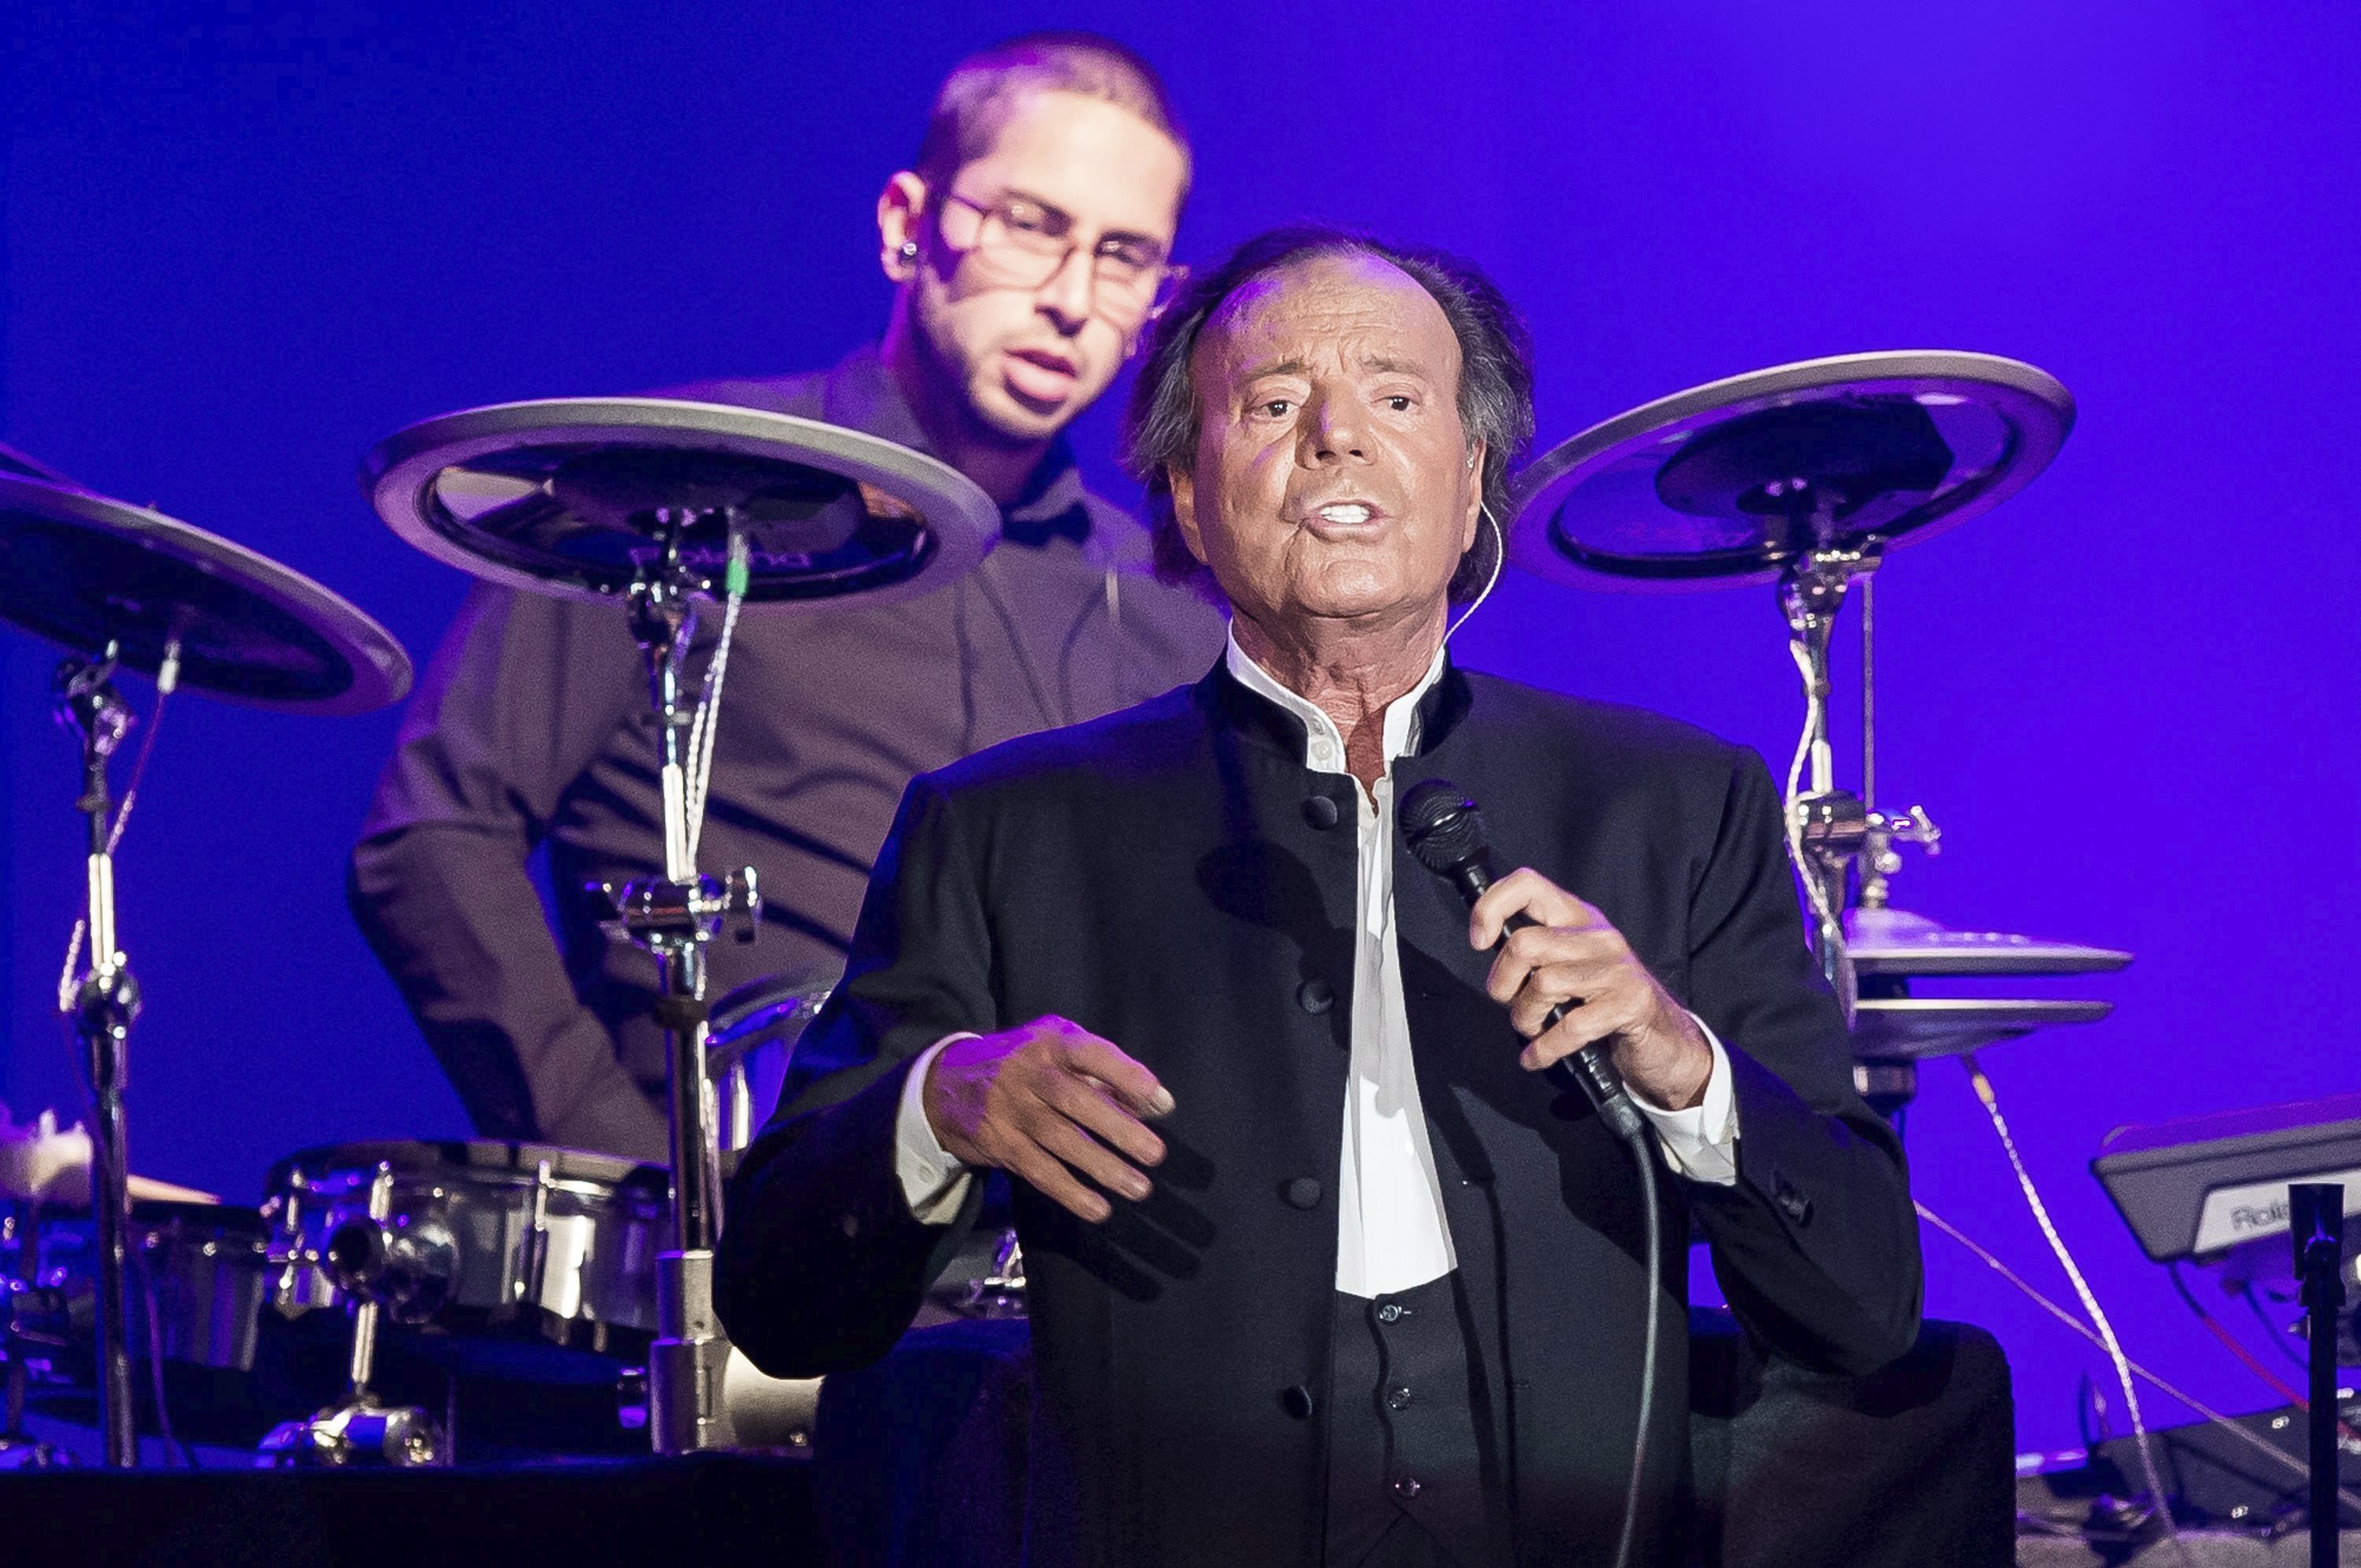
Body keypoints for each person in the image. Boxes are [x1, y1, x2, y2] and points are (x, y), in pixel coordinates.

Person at [716, 227, 1923, 1566]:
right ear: (1185, 489)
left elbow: (1866, 1305)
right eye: (1275, 403)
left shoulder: (1674, 804)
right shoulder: (1003, 827)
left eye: (1398, 401)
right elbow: (779, 1302)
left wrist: (1680, 1061)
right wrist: (939, 1106)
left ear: (1472, 484)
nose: (1337, 440)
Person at [349, 33, 1225, 1163]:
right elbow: (432, 838)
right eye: (1030, 225)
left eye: (1122, 256)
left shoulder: (1167, 611)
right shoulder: (668, 481)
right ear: (907, 225)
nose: (1070, 299)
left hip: (1033, 1281)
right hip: (730, 1224)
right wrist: (638, 1174)